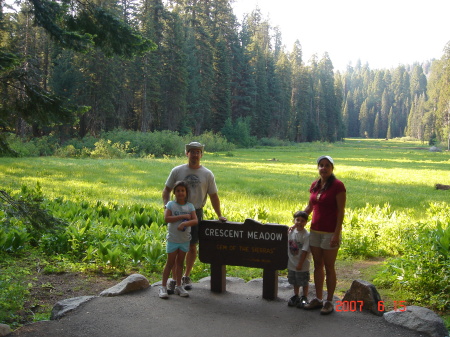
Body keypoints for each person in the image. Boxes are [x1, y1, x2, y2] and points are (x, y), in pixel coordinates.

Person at [162, 141, 227, 293]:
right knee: (176, 246)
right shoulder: (177, 171)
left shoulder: (207, 174)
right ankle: (173, 280)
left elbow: (214, 196)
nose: (195, 154)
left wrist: (219, 215)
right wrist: (167, 206)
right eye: (192, 152)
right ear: (187, 153)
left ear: (201, 155)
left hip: (195, 212)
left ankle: (186, 276)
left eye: (198, 152)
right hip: (177, 211)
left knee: (192, 246)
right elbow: (166, 190)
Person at [302, 155, 346, 315]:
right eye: (321, 165)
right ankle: (319, 299)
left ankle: (329, 301)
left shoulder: (338, 186)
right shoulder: (315, 185)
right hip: (315, 231)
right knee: (317, 265)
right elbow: (310, 207)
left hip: (330, 233)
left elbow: (341, 212)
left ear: (332, 168)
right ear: (318, 167)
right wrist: (299, 220)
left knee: (329, 267)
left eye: (327, 165)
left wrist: (336, 233)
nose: (324, 168)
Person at [159, 181, 198, 299]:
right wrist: (181, 217)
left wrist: (184, 224)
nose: (180, 193)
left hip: (184, 240)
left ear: (186, 193)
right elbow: (167, 218)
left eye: (183, 190)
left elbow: (195, 220)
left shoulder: (190, 206)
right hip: (173, 240)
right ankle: (163, 287)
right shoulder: (171, 205)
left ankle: (178, 286)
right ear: (174, 192)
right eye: (178, 191)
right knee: (170, 263)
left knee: (180, 263)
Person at [287, 211, 311, 308]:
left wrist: (300, 264)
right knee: (295, 281)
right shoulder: (291, 231)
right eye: (297, 220)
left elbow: (305, 250)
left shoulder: (306, 235)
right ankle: (296, 295)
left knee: (304, 281)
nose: (299, 222)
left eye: (302, 221)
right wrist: (291, 227)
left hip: (303, 264)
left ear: (306, 222)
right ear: (294, 221)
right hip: (292, 262)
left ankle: (304, 297)